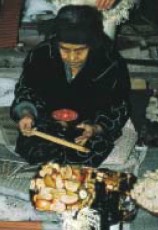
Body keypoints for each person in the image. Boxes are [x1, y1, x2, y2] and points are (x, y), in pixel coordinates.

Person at [10, 5, 131, 167]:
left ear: (92, 45)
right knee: (36, 148)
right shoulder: (41, 55)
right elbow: (26, 89)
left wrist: (96, 128)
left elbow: (118, 106)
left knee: (86, 152)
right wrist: (27, 114)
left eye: (80, 51)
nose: (72, 57)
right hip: (47, 123)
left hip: (86, 127)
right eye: (65, 50)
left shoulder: (110, 63)